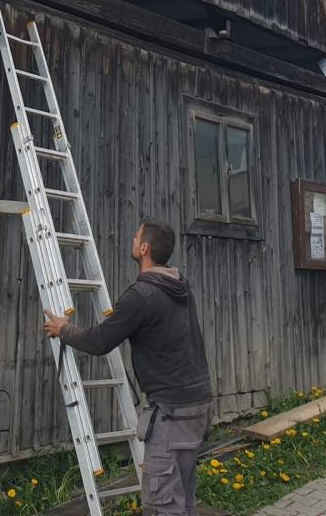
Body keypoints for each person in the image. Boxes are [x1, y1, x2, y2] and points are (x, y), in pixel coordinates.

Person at [43, 219, 211, 516]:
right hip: (198, 407)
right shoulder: (180, 288)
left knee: (162, 506)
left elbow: (100, 340)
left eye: (135, 237)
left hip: (171, 413)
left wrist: (64, 329)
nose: (132, 240)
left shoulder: (141, 295)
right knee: (183, 499)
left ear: (144, 248)